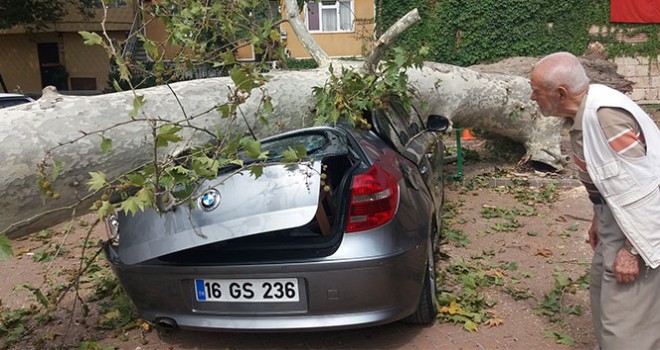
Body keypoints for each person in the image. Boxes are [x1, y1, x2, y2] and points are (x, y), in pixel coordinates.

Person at [530, 52, 660, 350]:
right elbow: (609, 179)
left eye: (537, 91)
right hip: (615, 222)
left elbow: (646, 187)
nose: (532, 97)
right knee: (604, 300)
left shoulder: (606, 119)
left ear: (560, 93)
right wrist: (597, 217)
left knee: (625, 327)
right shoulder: (586, 111)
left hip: (639, 231)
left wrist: (632, 250)